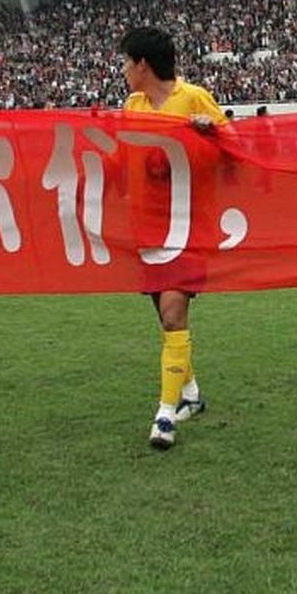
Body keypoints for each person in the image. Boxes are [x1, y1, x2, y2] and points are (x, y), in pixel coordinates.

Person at [119, 26, 227, 450]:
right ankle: (192, 394)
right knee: (166, 321)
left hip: (188, 226)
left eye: (127, 62)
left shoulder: (195, 97)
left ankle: (165, 417)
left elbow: (234, 147)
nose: (125, 70)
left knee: (171, 315)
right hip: (147, 226)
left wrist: (210, 132)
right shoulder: (132, 105)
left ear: (143, 64)